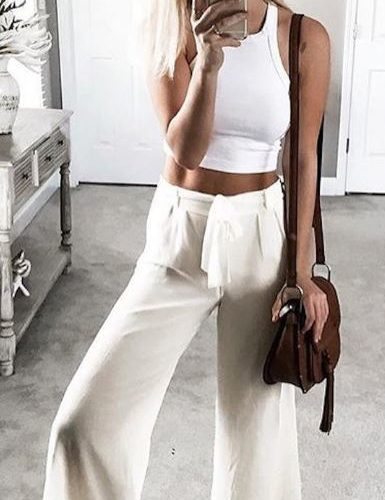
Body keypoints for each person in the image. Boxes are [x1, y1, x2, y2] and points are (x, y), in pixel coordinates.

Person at [41, 0, 331, 498]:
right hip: (180, 232)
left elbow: (302, 159)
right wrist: (208, 65)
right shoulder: (168, 21)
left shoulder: (303, 36)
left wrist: (301, 271)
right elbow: (187, 150)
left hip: (260, 237)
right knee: (83, 424)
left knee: (256, 441)